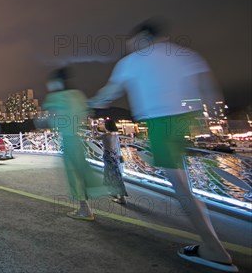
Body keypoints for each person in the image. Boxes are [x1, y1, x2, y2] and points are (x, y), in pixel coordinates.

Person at [88, 20, 237, 272]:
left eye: (133, 43)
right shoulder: (187, 54)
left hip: (160, 122)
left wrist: (90, 102)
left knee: (180, 187)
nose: (131, 47)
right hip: (185, 121)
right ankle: (210, 241)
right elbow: (211, 93)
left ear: (143, 38)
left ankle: (214, 249)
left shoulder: (133, 61)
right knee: (179, 178)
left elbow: (108, 93)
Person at [43, 68, 105, 221]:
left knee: (73, 173)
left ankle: (84, 209)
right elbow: (87, 112)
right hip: (78, 137)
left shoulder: (56, 97)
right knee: (82, 168)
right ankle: (91, 199)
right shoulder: (78, 95)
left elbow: (51, 120)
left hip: (67, 138)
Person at [100, 119, 127, 204]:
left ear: (107, 126)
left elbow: (94, 137)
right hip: (115, 156)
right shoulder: (115, 135)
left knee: (112, 175)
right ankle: (114, 193)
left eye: (104, 124)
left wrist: (93, 129)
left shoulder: (105, 135)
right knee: (114, 174)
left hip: (108, 157)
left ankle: (121, 198)